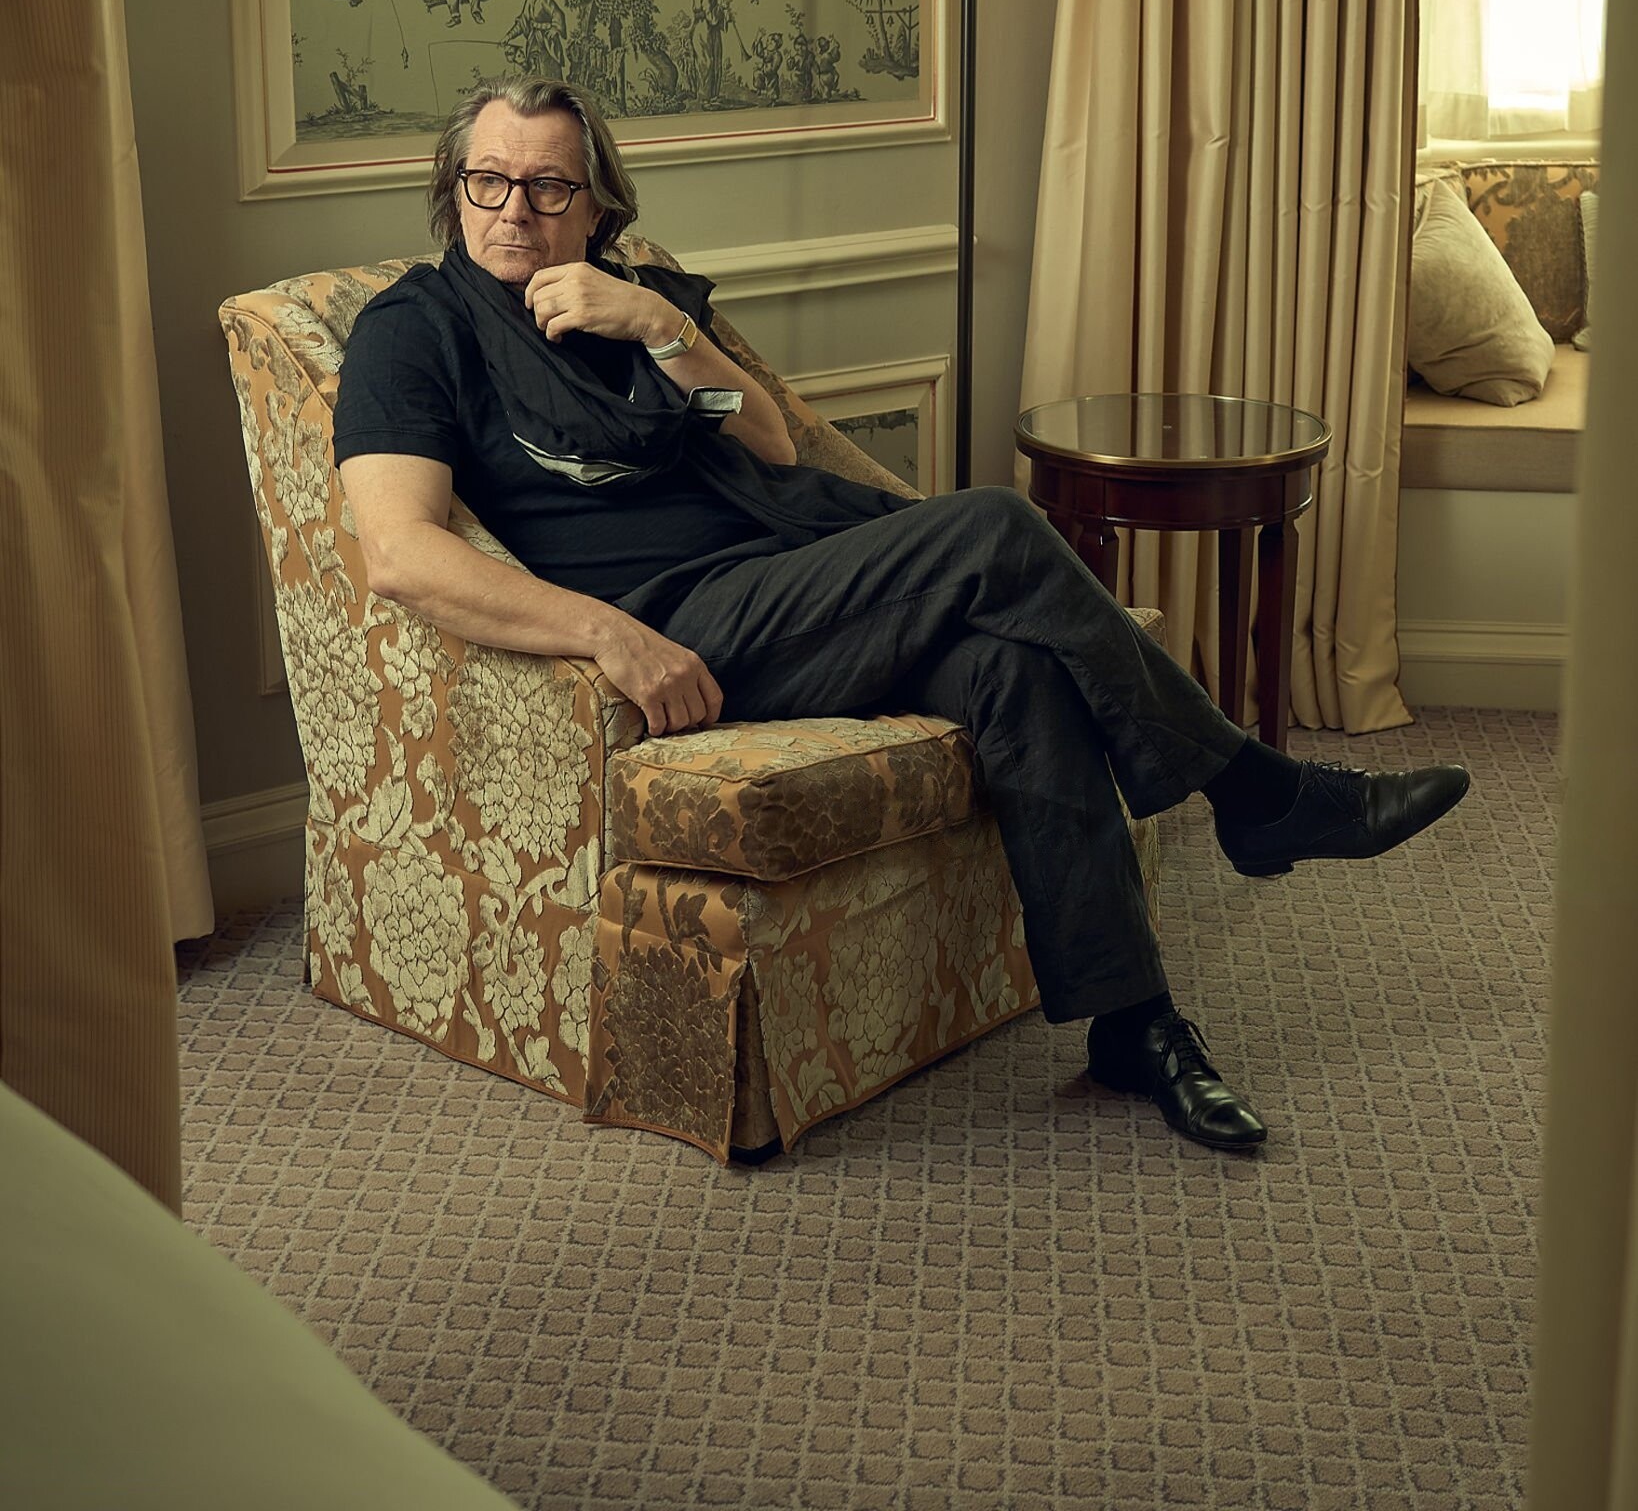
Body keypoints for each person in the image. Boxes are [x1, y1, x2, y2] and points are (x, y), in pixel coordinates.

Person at [333, 77, 1470, 1155]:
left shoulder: (632, 305)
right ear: (455, 190)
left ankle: (1133, 1020)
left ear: (595, 205)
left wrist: (657, 326)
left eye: (549, 186)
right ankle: (1254, 790)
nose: (516, 211)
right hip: (681, 618)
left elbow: (768, 441)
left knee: (1014, 671)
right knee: (995, 526)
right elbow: (400, 551)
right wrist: (608, 634)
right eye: (490, 181)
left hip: (790, 562)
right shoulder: (416, 330)